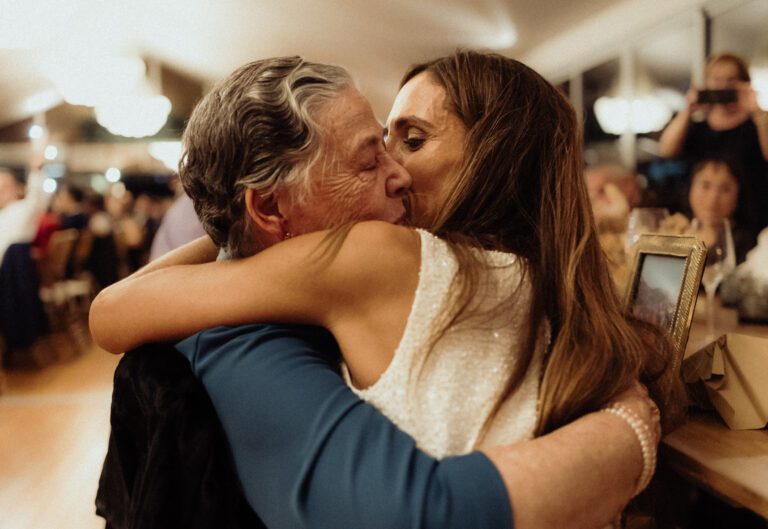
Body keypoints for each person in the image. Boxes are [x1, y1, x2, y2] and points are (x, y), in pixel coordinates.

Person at [91, 55, 668, 529]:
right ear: (268, 206)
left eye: (409, 141)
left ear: (495, 163)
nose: (396, 171)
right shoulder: (545, 282)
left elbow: (113, 310)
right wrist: (629, 430)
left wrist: (235, 231)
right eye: (376, 154)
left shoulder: (393, 261)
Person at [659, 52, 768, 231]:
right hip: (703, 222)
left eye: (731, 80)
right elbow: (666, 149)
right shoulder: (698, 127)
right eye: (717, 80)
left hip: (750, 221)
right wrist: (688, 110)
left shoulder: (756, 124)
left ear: (743, 82)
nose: (723, 86)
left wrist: (756, 111)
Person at [687, 158, 758, 264]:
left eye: (725, 189)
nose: (713, 198)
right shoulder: (674, 231)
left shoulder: (750, 246)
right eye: (705, 186)